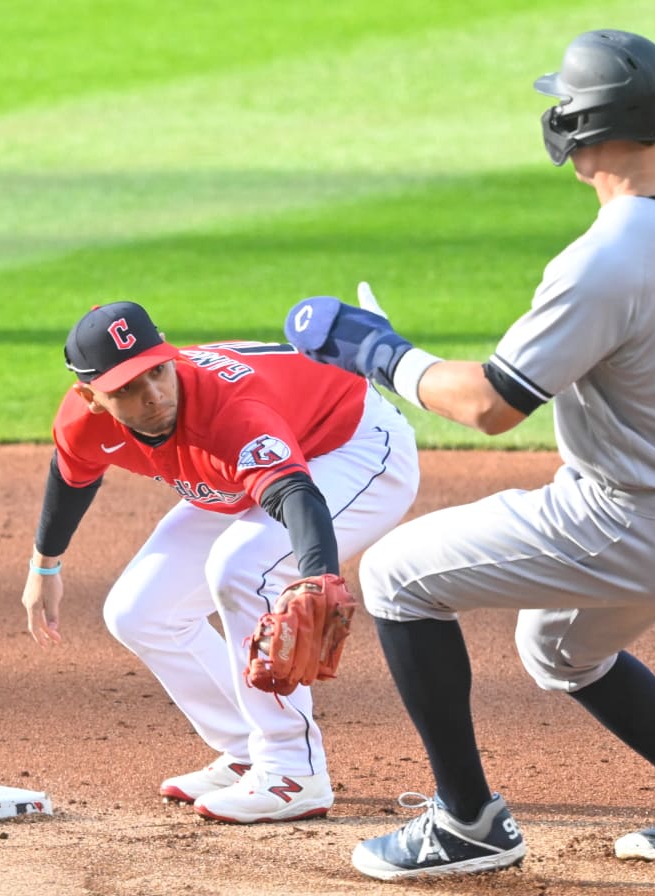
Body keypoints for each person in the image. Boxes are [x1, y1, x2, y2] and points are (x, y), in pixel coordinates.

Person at [284, 29, 655, 879]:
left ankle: (467, 824)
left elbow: (489, 405)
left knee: (397, 577)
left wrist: (376, 350)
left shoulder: (603, 260)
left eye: (562, 100)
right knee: (559, 650)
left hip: (630, 517)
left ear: (583, 122)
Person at [23, 300, 419, 823]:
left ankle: (292, 772)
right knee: (139, 611)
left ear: (168, 357)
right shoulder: (83, 422)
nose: (154, 395)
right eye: (125, 389)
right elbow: (72, 474)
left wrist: (317, 578)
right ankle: (246, 752)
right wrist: (44, 566)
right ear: (89, 397)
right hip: (245, 468)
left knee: (243, 568)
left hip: (352, 446)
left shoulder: (227, 409)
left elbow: (295, 495)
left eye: (157, 372)